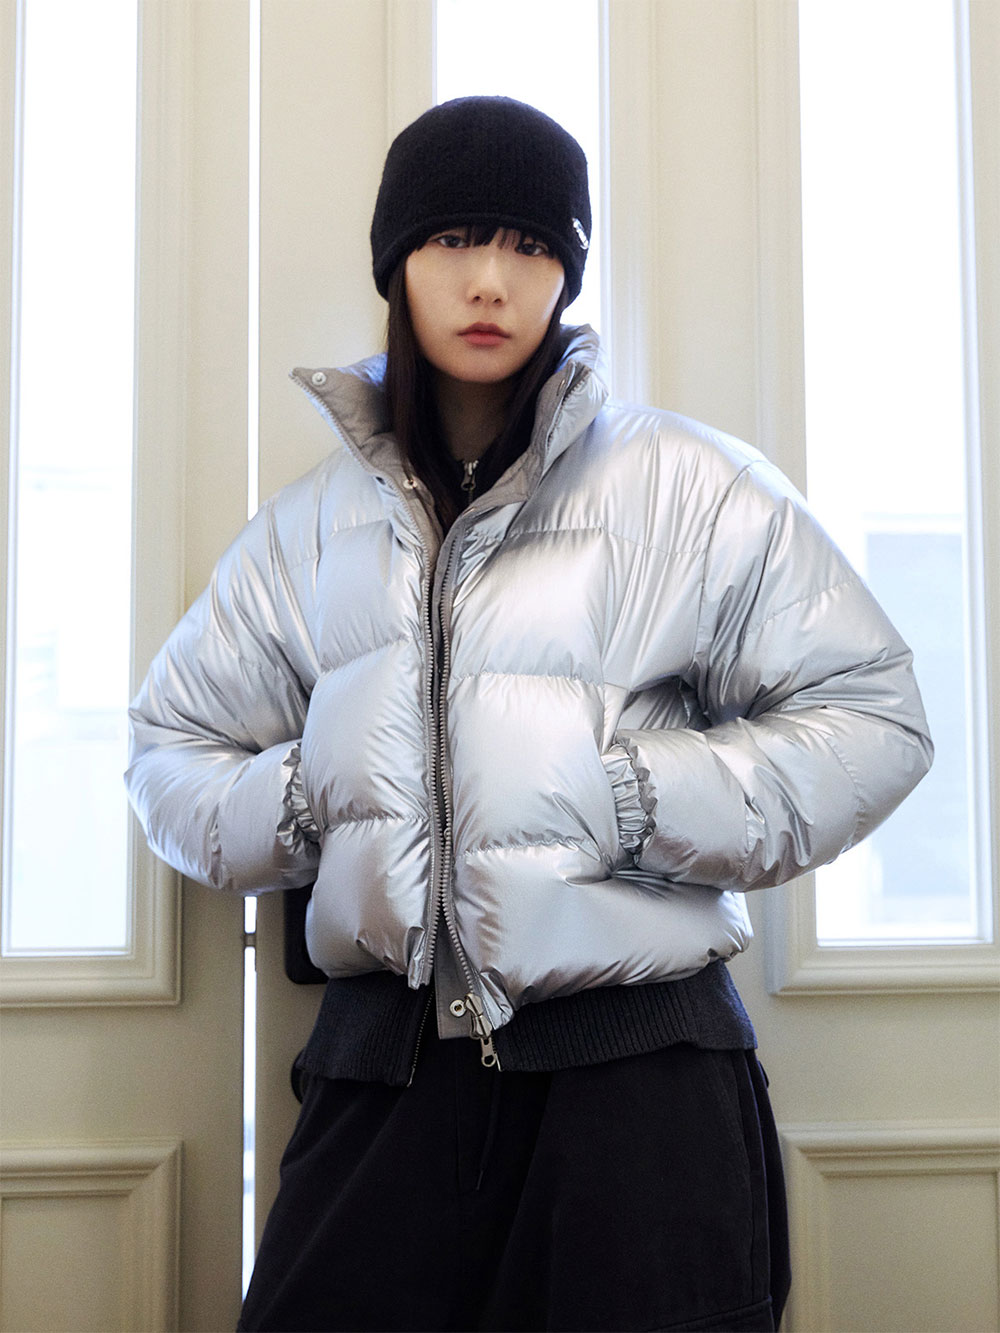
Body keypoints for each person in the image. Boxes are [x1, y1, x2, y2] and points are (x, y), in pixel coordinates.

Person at [126, 97, 932, 1333]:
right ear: (395, 262)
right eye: (454, 238)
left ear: (567, 271)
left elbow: (873, 716)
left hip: (640, 1089)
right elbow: (167, 754)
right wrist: (311, 800)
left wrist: (631, 794)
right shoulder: (306, 530)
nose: (492, 280)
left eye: (532, 244)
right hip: (383, 1074)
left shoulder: (687, 487)